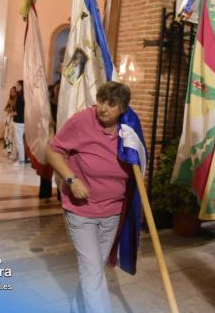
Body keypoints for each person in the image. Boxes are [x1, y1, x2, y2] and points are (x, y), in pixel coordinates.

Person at [46, 81, 132, 313]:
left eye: (111, 104)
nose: (103, 108)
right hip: (81, 211)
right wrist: (71, 179)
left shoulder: (129, 128)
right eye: (101, 101)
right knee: (92, 270)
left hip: (112, 211)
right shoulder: (82, 120)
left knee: (93, 270)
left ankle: (77, 308)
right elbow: (52, 151)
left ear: (122, 109)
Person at [13, 80, 26, 165]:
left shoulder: (21, 97)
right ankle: (20, 158)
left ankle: (21, 160)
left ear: (21, 86)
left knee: (19, 141)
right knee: (19, 141)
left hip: (19, 122)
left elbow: (20, 111)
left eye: (17, 85)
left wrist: (12, 113)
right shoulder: (22, 96)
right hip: (21, 121)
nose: (16, 87)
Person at [3, 86, 18, 161]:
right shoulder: (9, 100)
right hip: (9, 119)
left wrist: (13, 113)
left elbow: (18, 111)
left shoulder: (18, 100)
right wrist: (8, 109)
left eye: (13, 91)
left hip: (14, 119)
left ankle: (13, 151)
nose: (12, 92)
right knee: (7, 135)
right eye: (11, 91)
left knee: (12, 135)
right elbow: (5, 108)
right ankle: (8, 151)